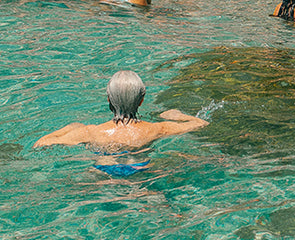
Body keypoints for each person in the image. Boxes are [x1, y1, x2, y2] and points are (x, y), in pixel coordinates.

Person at [34, 70, 208, 176]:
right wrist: (175, 114)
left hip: (103, 173)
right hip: (142, 171)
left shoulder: (90, 132)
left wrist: (68, 128)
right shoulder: (157, 129)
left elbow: (42, 143)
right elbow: (200, 123)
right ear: (141, 100)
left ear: (108, 98)